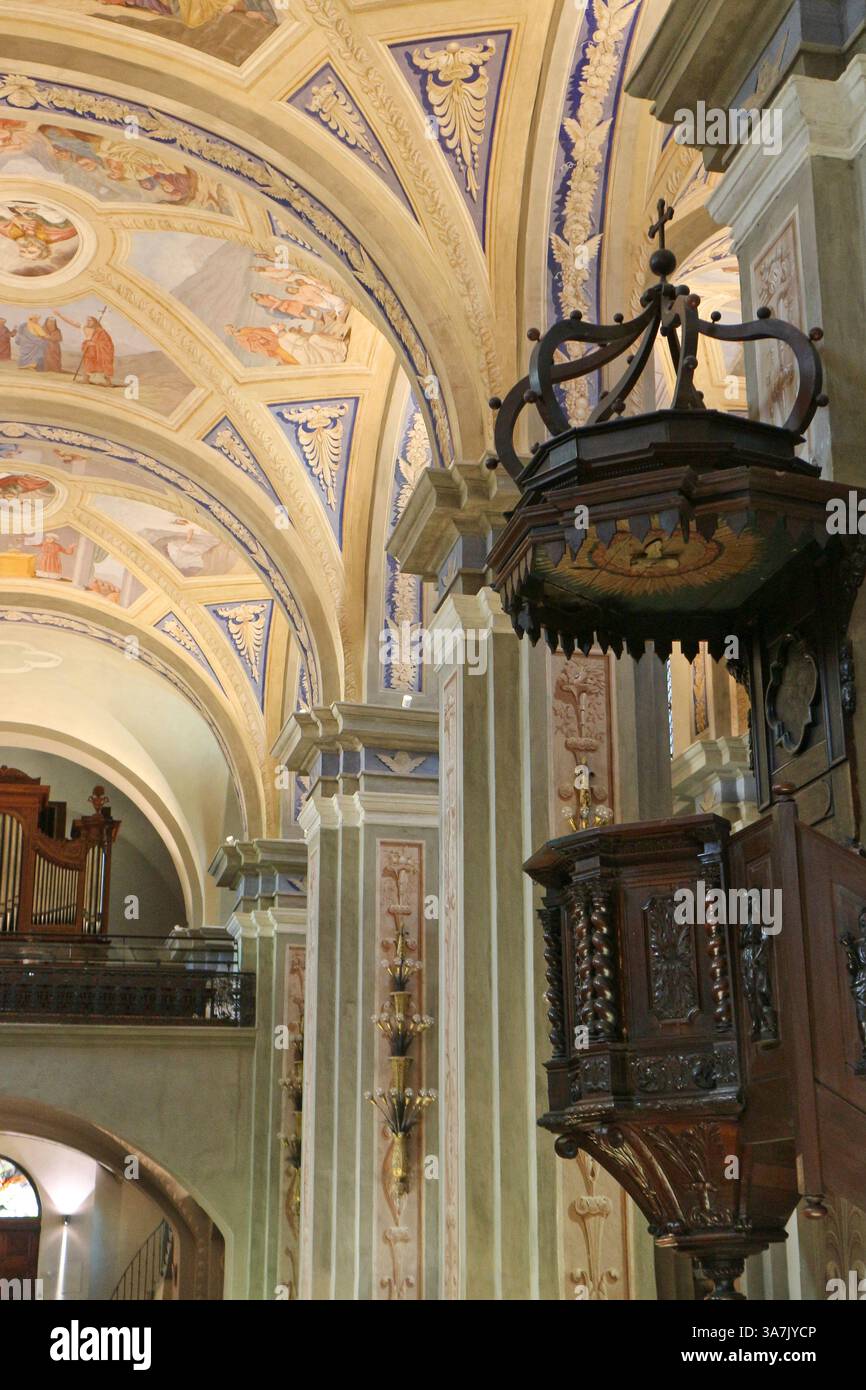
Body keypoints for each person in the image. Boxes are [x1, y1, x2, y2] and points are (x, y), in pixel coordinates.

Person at [53, 311, 115, 385]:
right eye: (87, 320)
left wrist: (94, 343)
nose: (88, 322)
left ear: (95, 321)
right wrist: (60, 315)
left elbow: (107, 343)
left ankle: (108, 382)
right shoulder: (85, 328)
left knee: (103, 365)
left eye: (90, 320)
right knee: (87, 364)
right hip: (89, 350)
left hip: (99, 351)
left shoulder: (100, 331)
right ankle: (86, 380)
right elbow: (72, 322)